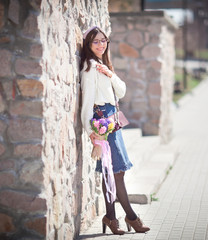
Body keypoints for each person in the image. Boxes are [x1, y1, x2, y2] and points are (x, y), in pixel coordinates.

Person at [80, 26, 150, 235]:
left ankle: (111, 216)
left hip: (113, 121)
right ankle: (131, 217)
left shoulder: (102, 65)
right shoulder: (90, 68)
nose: (101, 45)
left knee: (113, 171)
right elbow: (87, 103)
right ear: (88, 45)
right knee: (116, 171)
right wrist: (90, 131)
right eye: (95, 42)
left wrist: (110, 74)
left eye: (103, 40)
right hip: (102, 122)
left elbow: (122, 90)